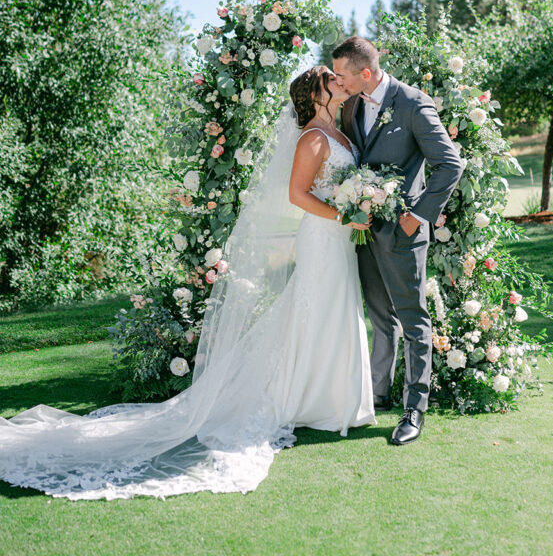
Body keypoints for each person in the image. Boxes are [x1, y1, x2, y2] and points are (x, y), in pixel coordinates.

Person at [0, 65, 375, 500]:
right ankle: (311, 402)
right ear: (316, 95)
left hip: (342, 242)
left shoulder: (343, 135)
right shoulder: (312, 138)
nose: (340, 84)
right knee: (316, 307)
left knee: (334, 308)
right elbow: (297, 195)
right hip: (323, 237)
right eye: (332, 80)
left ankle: (335, 397)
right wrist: (345, 214)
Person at [333, 36, 464, 446]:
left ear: (365, 73)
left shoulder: (413, 103)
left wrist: (416, 216)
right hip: (365, 229)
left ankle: (415, 408)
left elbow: (450, 165)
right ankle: (379, 391)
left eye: (342, 74)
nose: (338, 81)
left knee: (412, 318)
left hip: (404, 232)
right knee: (379, 316)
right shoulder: (353, 104)